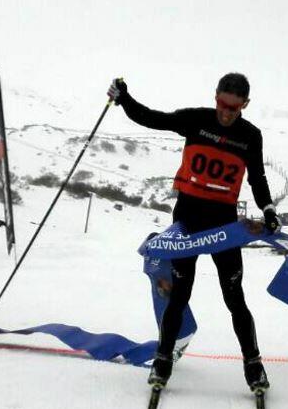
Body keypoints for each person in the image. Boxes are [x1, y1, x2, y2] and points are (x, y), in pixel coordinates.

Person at [107, 73, 278, 391]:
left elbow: (257, 177)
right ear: (215, 97)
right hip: (188, 220)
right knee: (179, 294)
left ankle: (253, 365)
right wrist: (124, 100)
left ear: (245, 105)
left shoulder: (250, 135)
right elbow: (152, 119)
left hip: (224, 226)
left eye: (234, 107)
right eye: (222, 104)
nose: (226, 112)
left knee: (234, 298)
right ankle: (163, 359)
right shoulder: (196, 120)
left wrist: (268, 209)